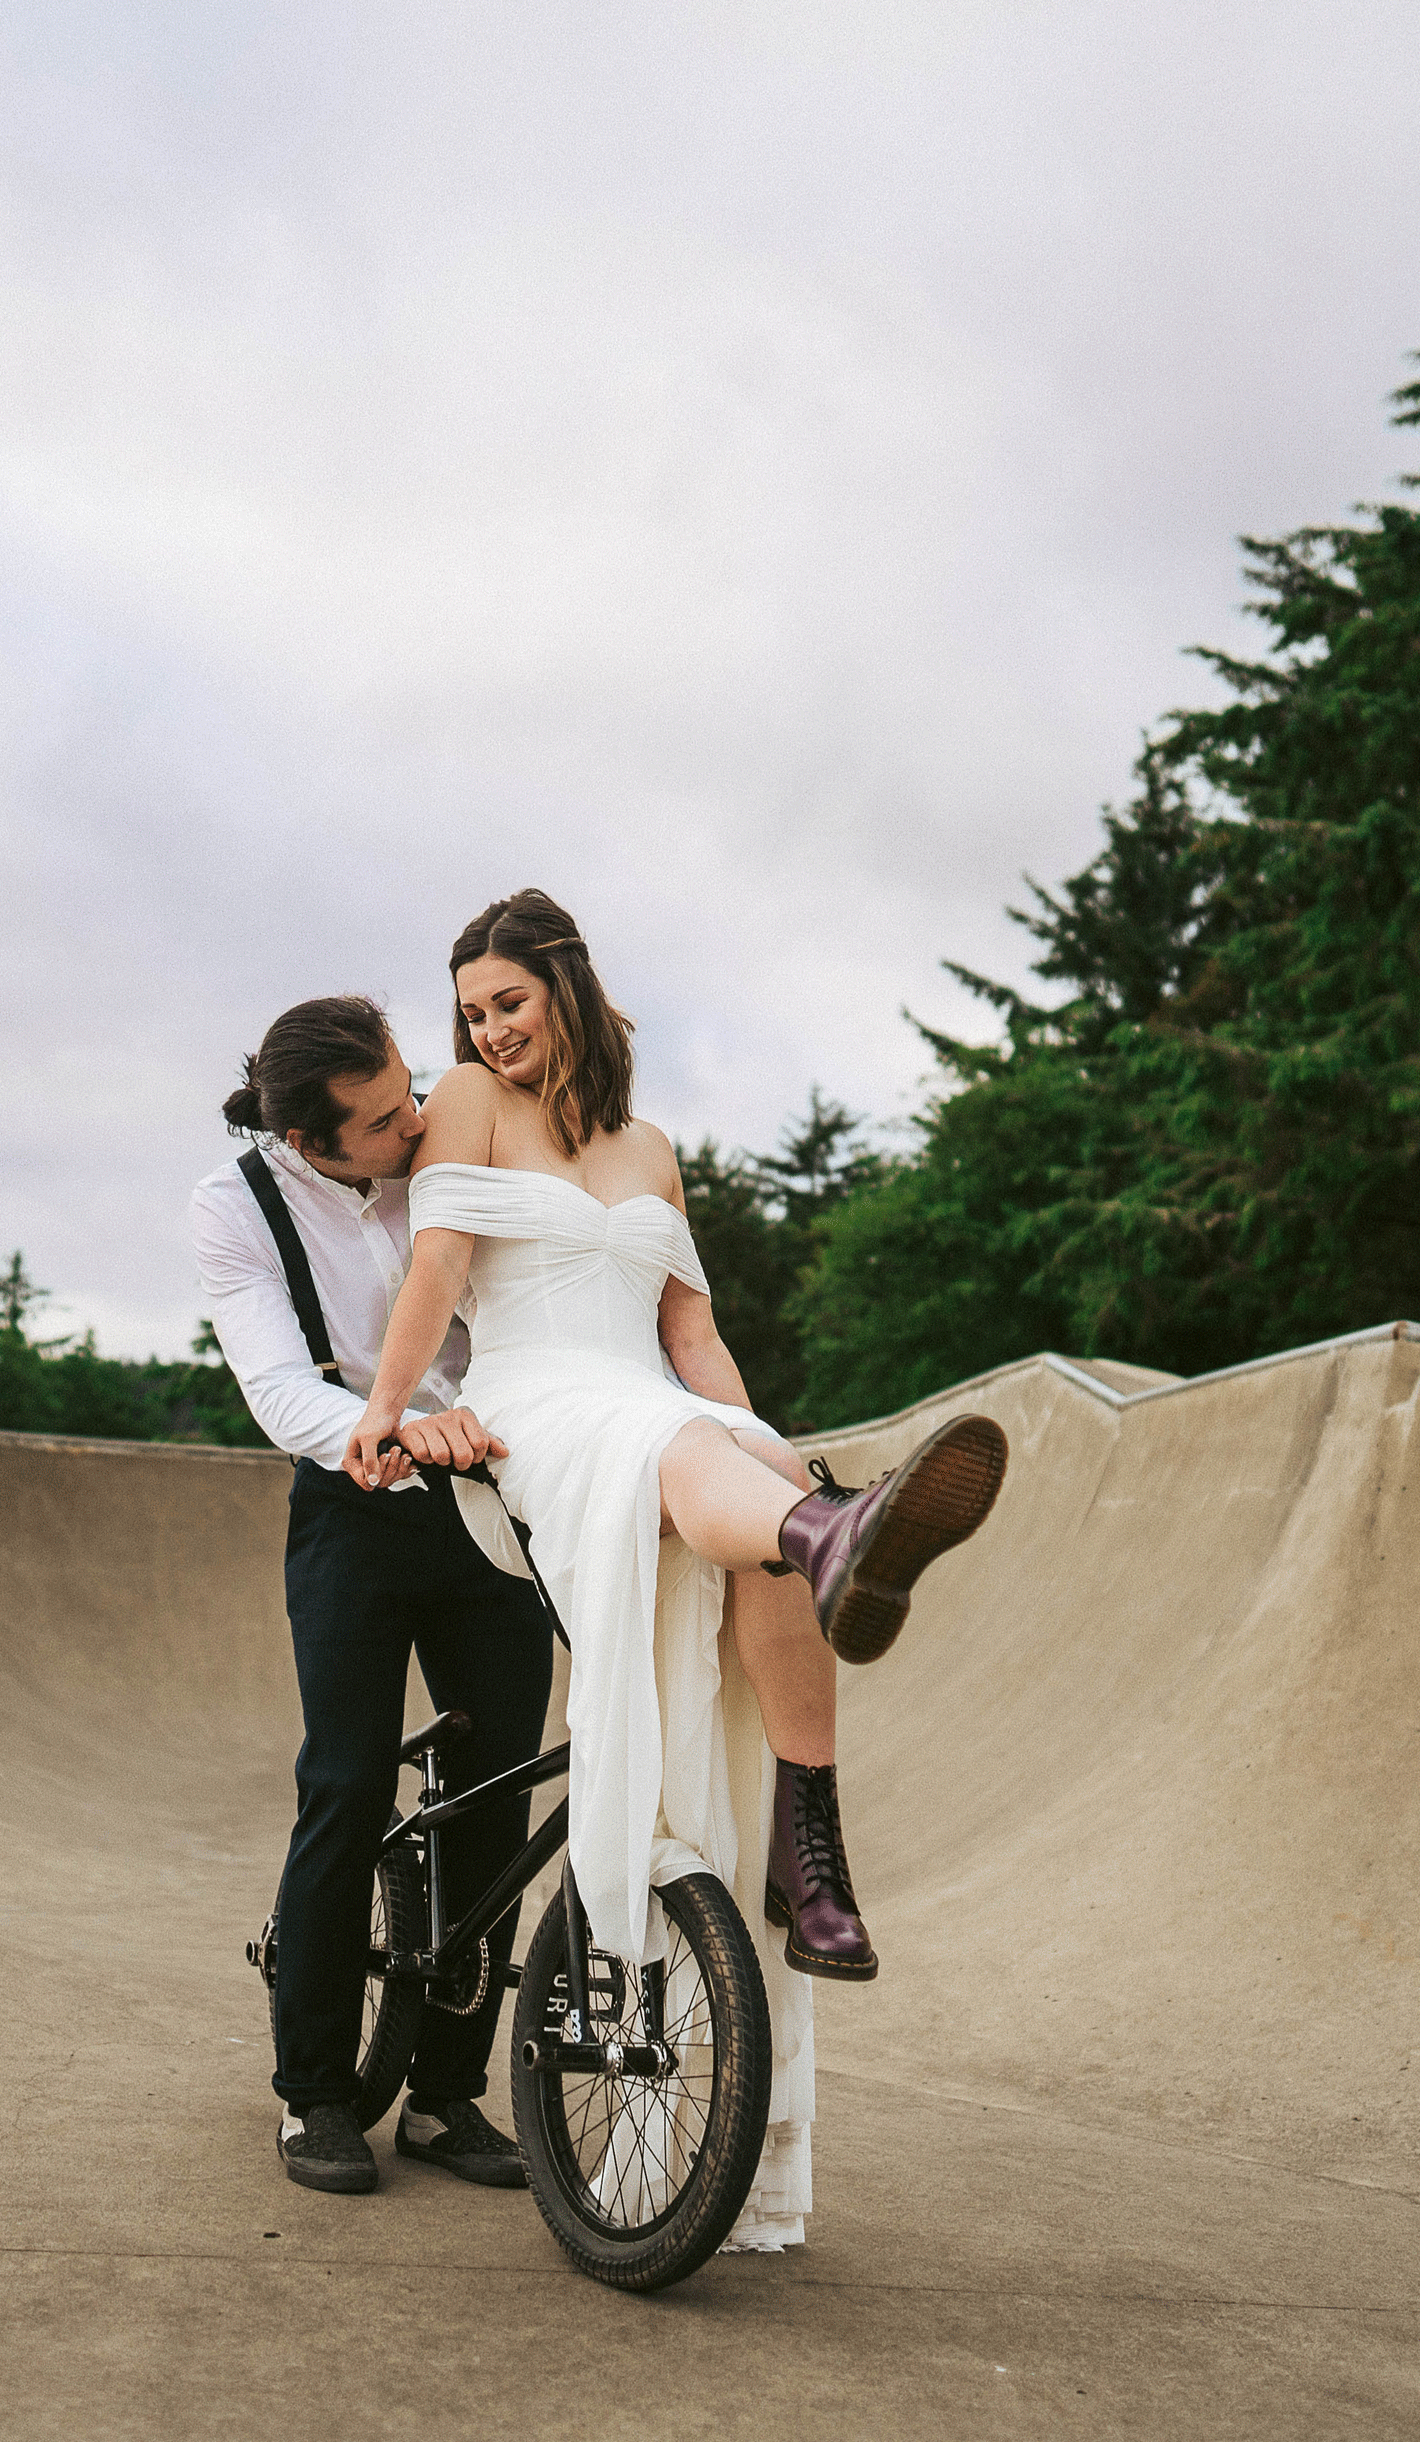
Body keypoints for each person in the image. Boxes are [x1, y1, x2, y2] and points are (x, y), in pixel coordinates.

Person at [346, 890, 1007, 2248]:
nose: (487, 1028)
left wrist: (769, 1445)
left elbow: (690, 1334)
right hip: (540, 1421)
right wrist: (387, 1405)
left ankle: (805, 1849)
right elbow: (438, 1267)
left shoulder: (650, 1147)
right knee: (715, 1466)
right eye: (471, 1010)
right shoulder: (467, 1101)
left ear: (565, 986)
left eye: (508, 1001)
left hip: (651, 1408)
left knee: (745, 1464)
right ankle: (828, 1535)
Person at [189, 995, 556, 2199]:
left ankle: (448, 2098)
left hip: (489, 1505)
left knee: (497, 1785)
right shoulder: (234, 1208)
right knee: (344, 1781)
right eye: (383, 1118)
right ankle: (315, 2096)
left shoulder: (441, 1129)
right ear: (310, 1139)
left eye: (409, 1092)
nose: (412, 1122)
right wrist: (390, 1430)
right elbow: (278, 1390)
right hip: (352, 1514)